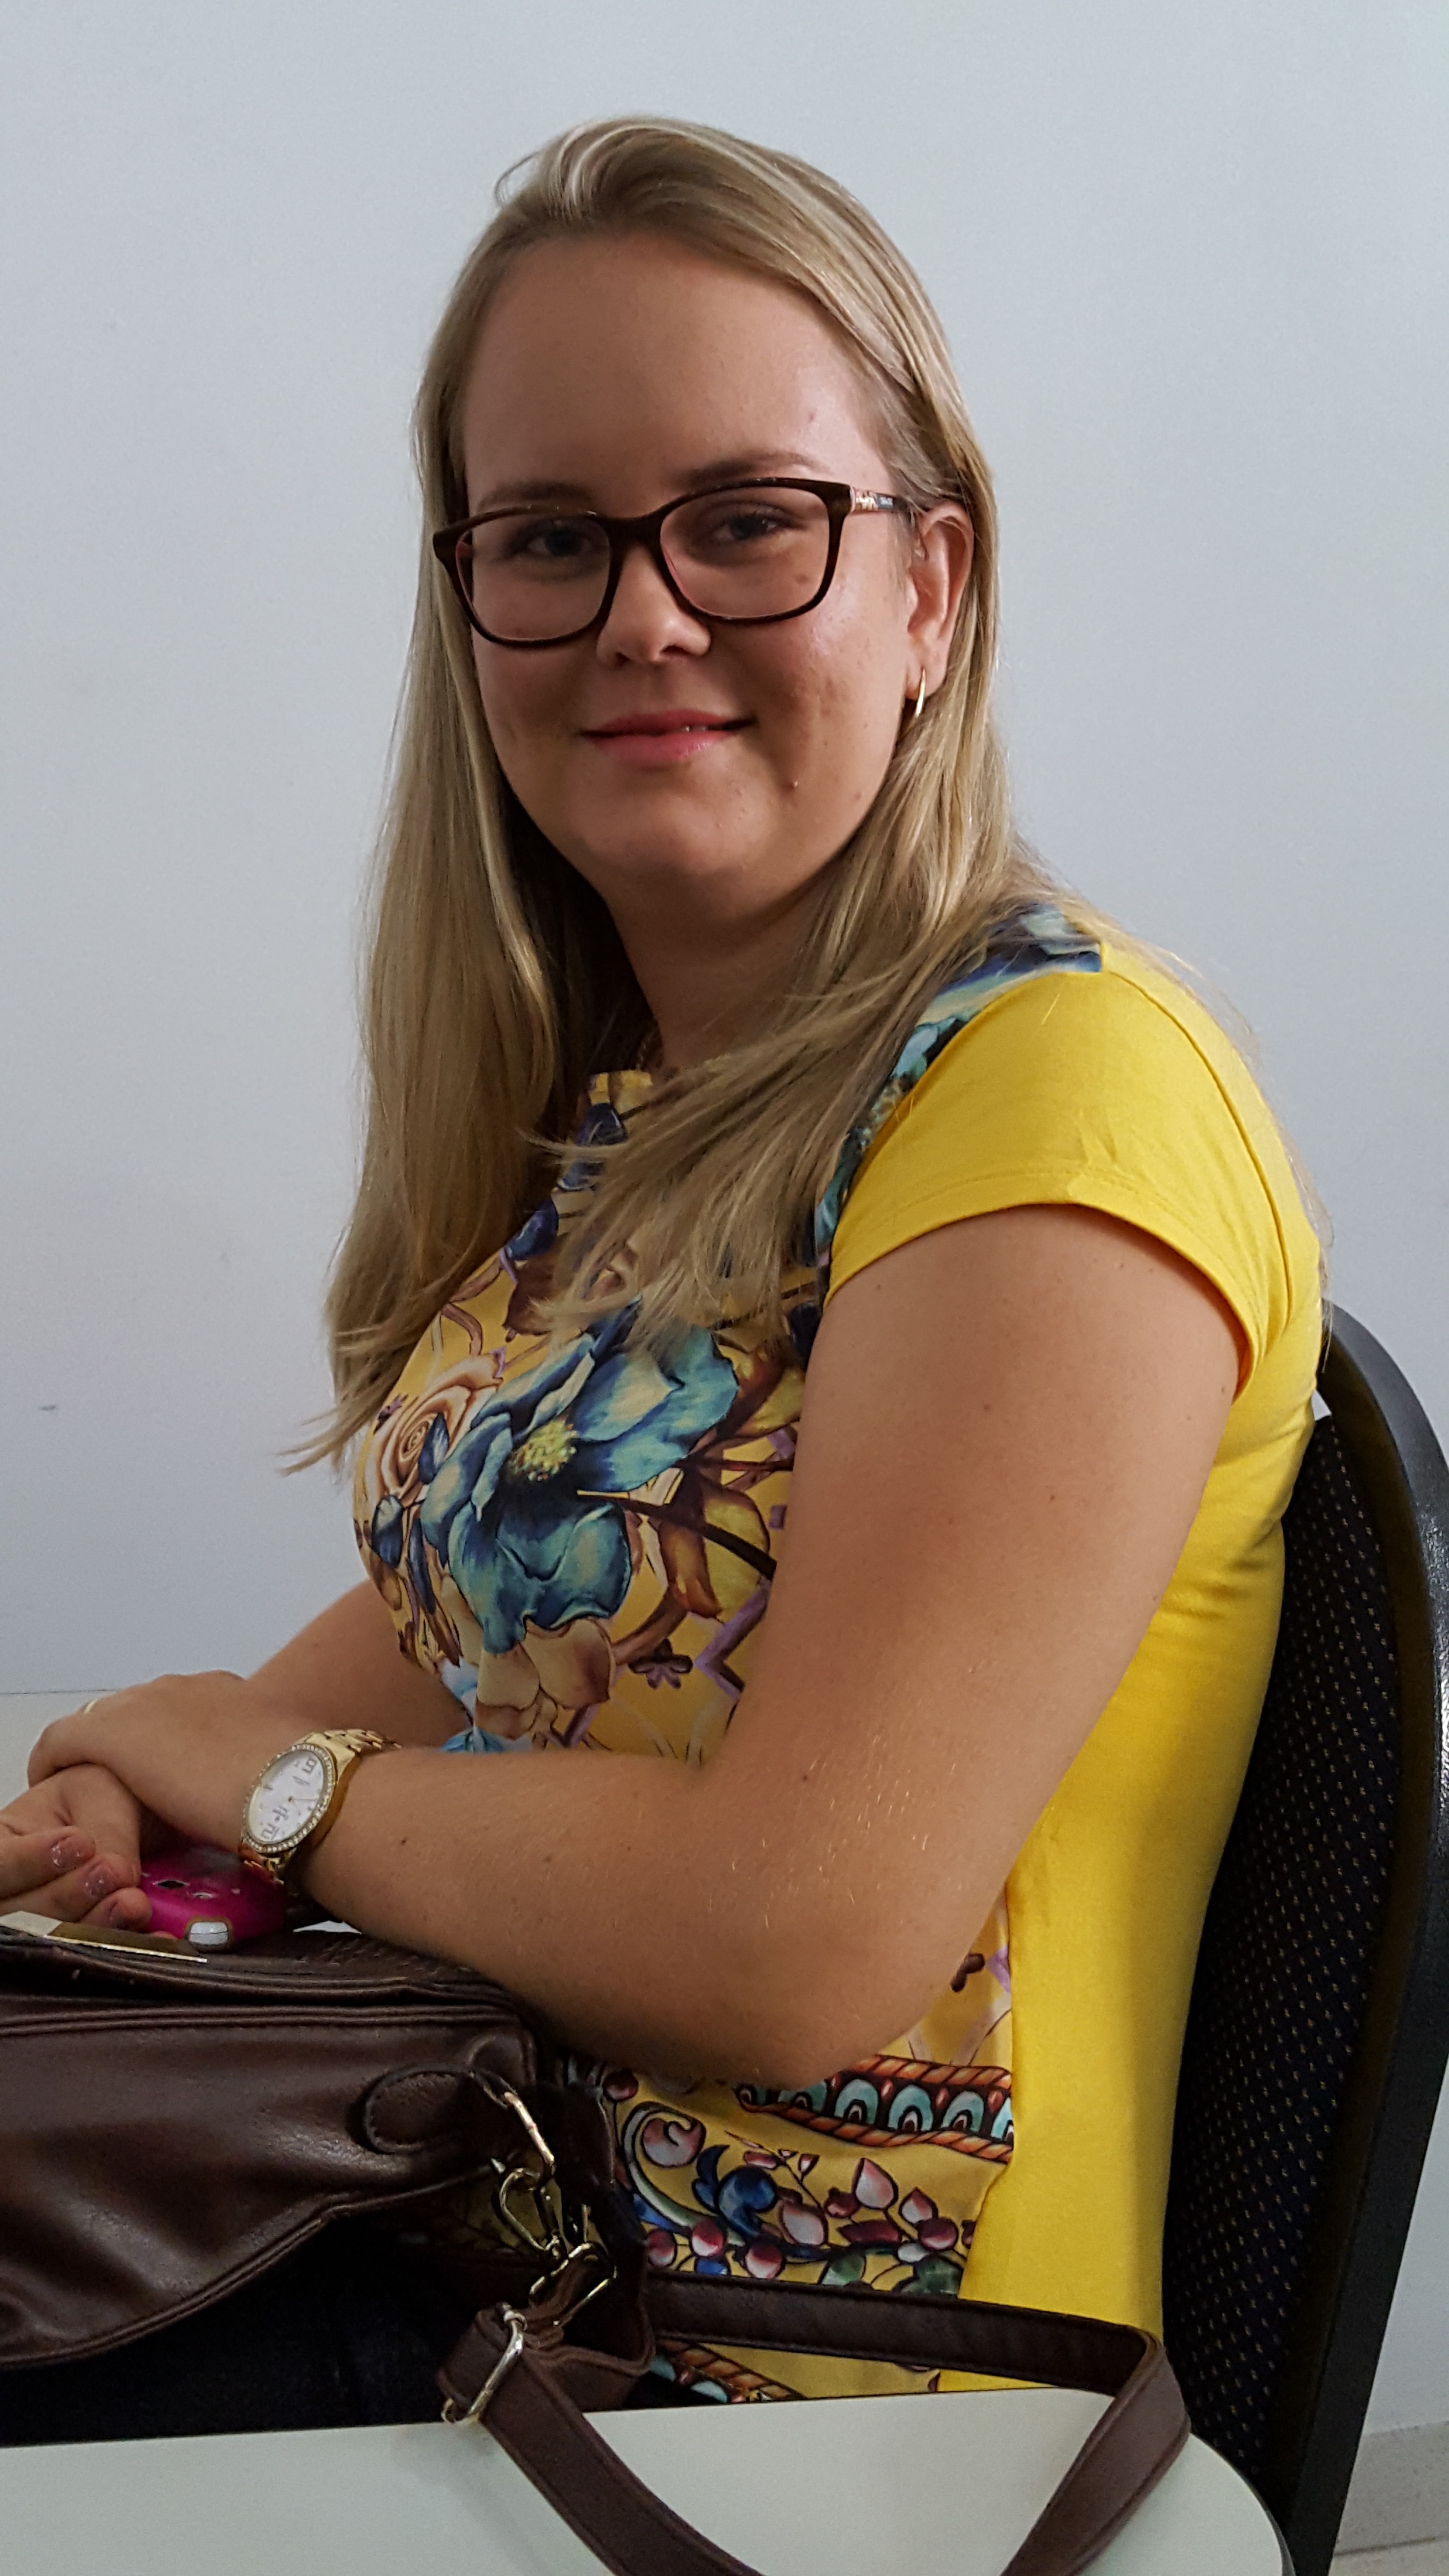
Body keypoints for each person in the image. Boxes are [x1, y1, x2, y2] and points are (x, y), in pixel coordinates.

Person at [0, 117, 1320, 2429]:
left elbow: (787, 1933)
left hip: (822, 2408)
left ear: (930, 588)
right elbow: (416, 1666)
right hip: (501, 2234)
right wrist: (157, 1787)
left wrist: (274, 1781)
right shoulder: (658, 1119)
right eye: (551, 536)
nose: (642, 612)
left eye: (745, 520)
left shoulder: (1060, 1094)